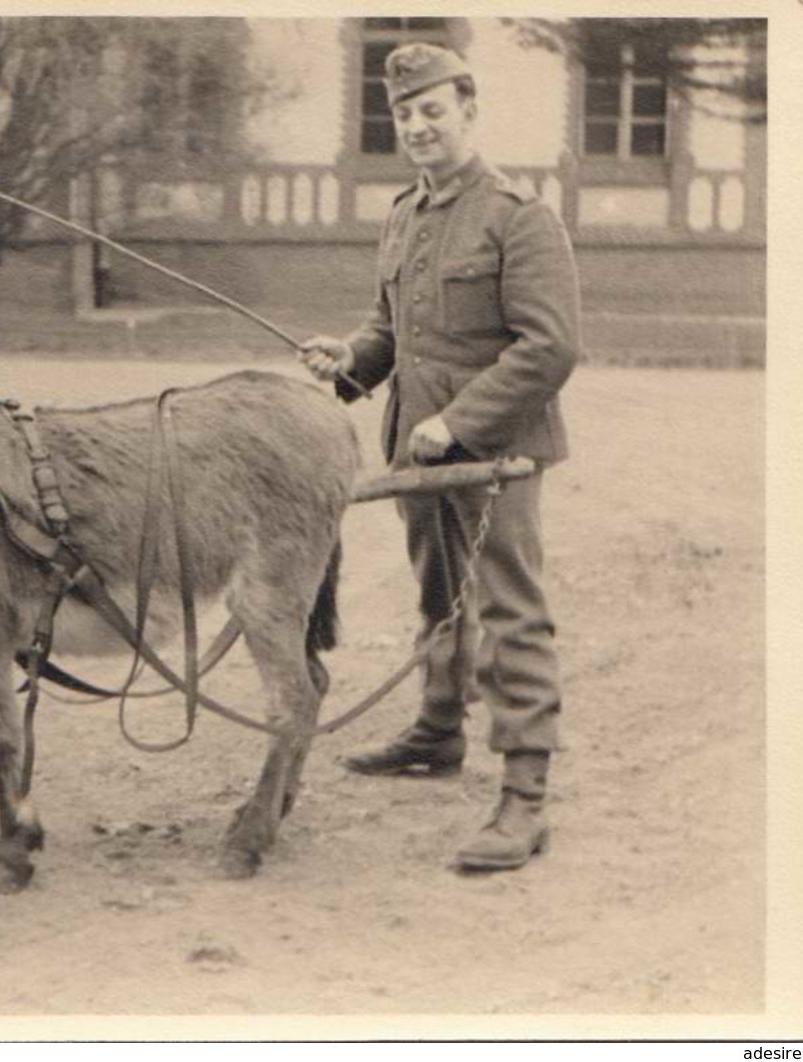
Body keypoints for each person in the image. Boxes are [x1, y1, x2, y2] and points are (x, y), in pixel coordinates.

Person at [298, 42, 579, 872]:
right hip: (418, 450)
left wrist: (458, 422)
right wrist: (348, 360)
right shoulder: (405, 213)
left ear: (467, 111)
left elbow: (548, 348)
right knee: (436, 598)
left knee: (509, 614)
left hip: (496, 458)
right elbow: (394, 331)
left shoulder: (517, 215)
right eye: (403, 114)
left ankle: (524, 797)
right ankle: (436, 729)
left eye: (432, 109)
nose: (417, 126)